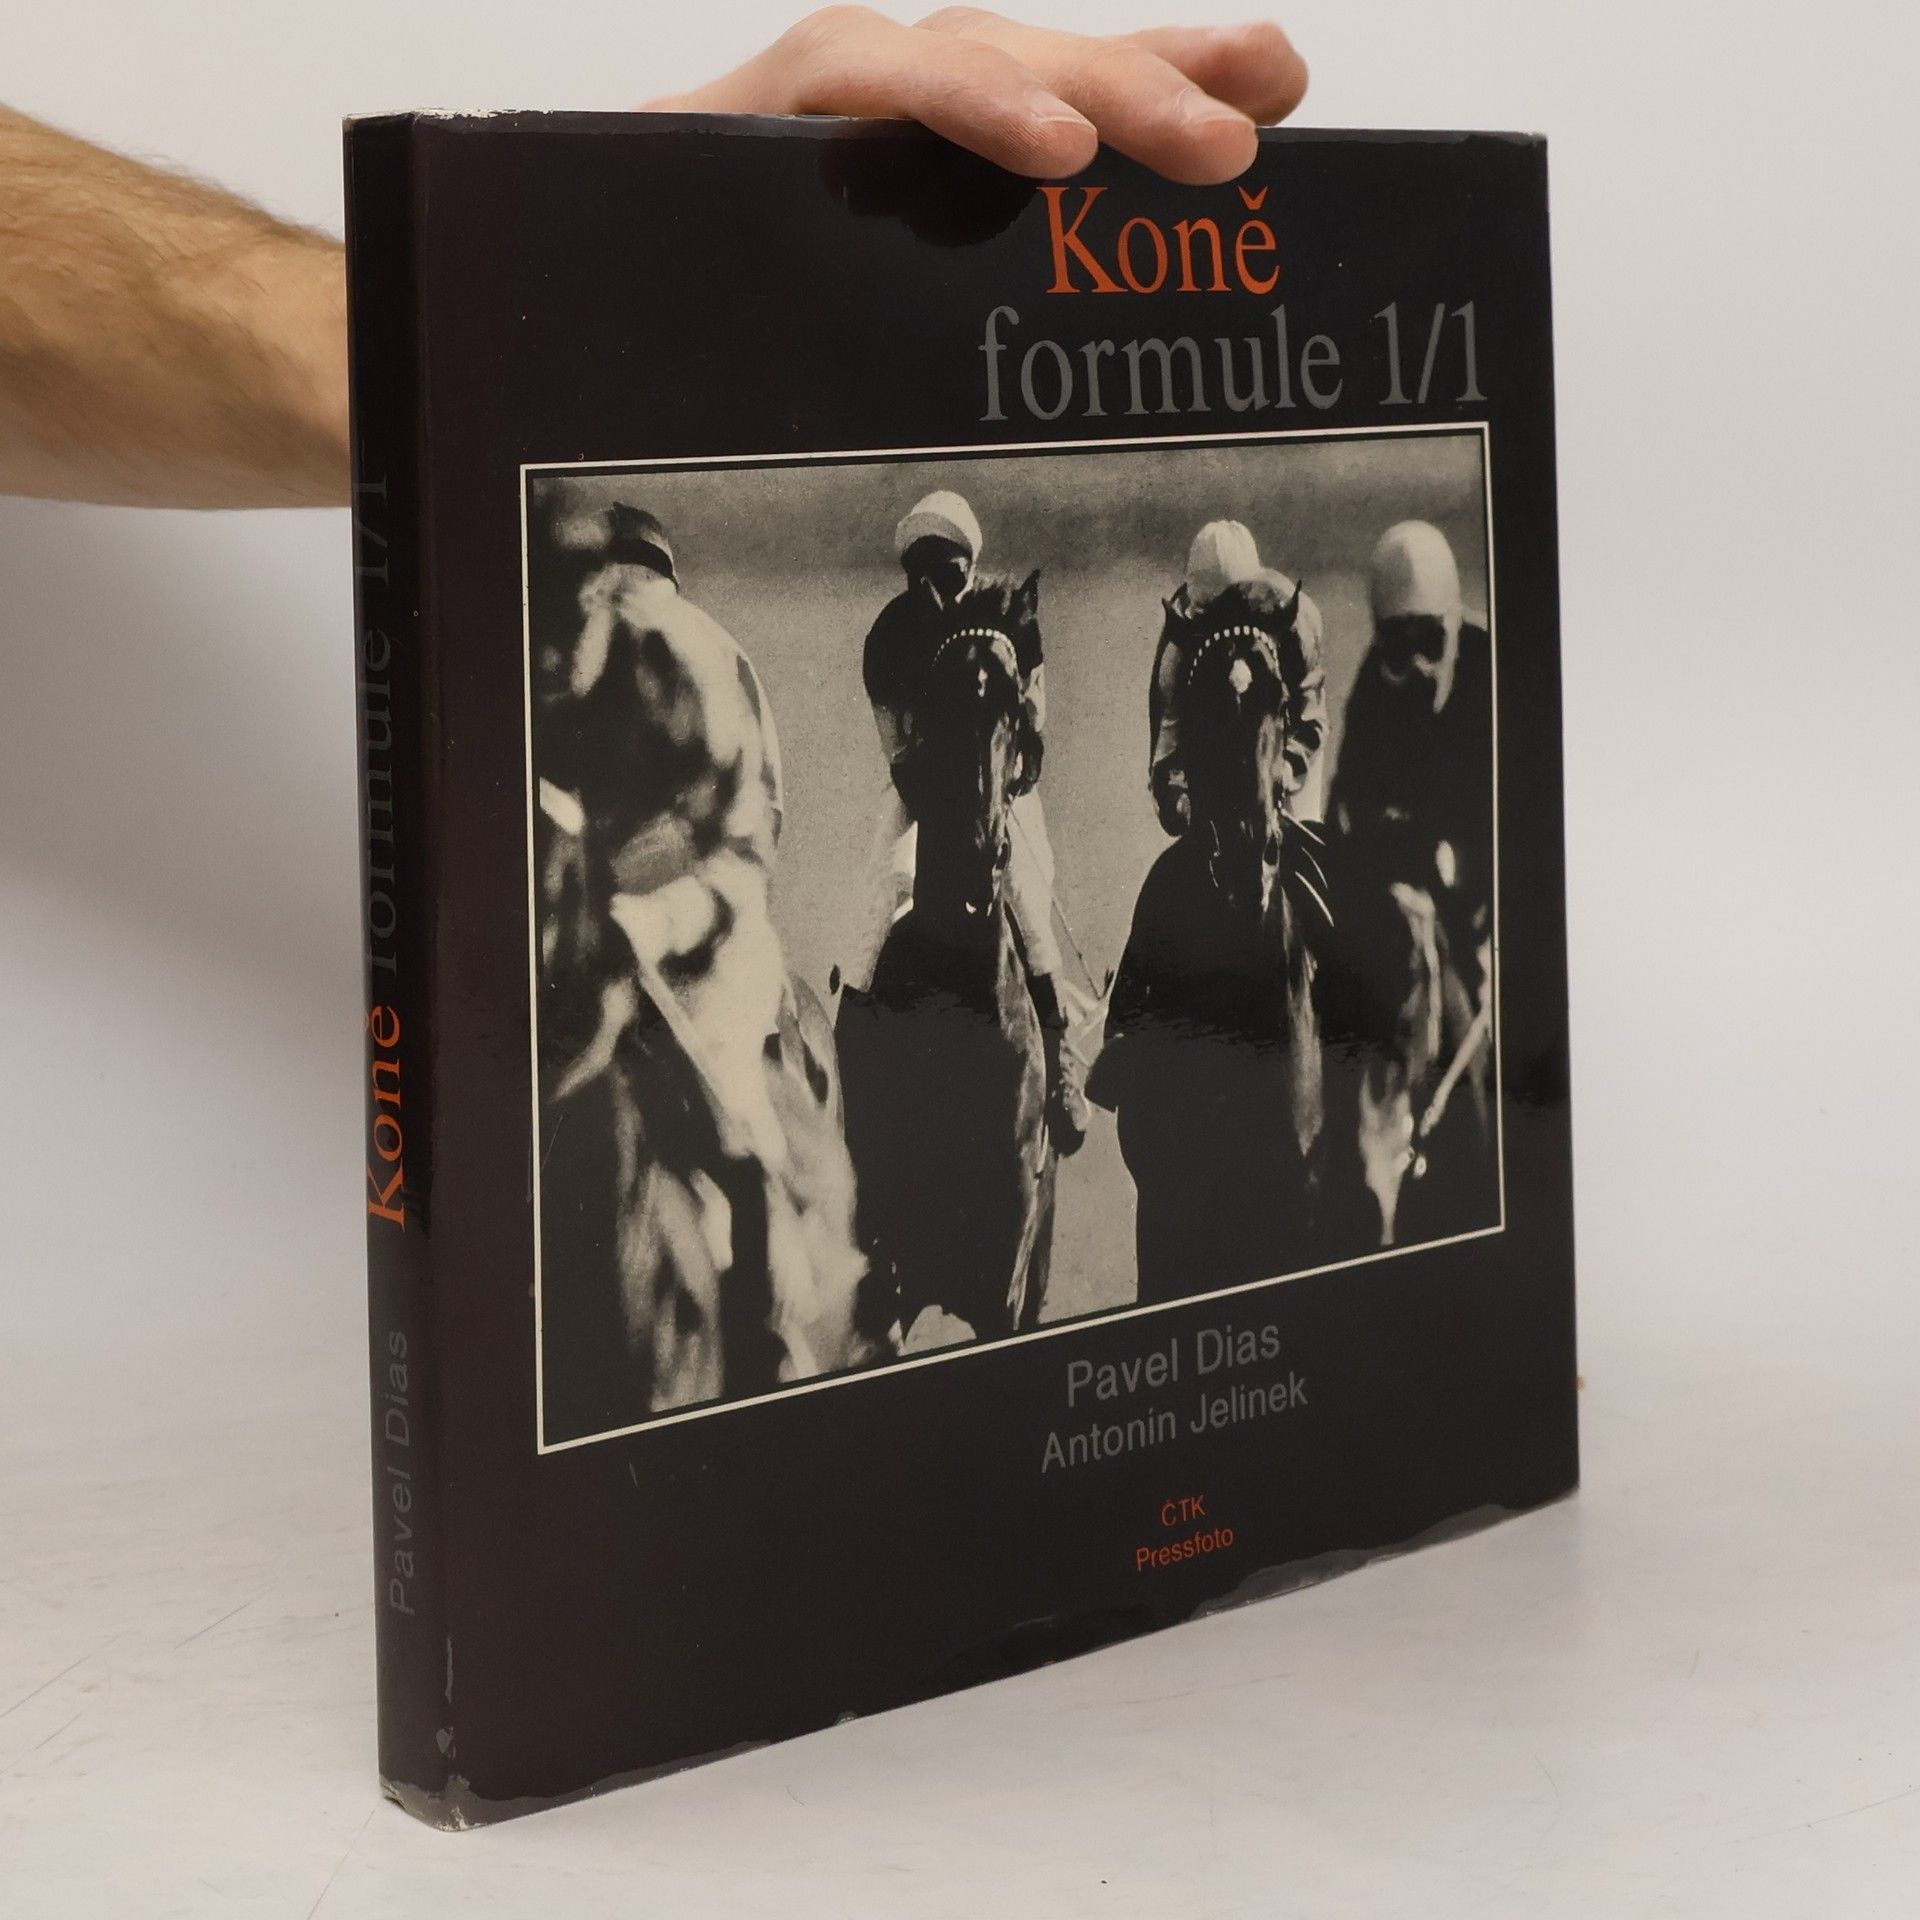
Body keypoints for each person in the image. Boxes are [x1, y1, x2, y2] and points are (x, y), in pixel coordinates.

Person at [852, 488, 1087, 1151]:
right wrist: (943, 795)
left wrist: (999, 786)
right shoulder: (891, 637)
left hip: (1002, 788)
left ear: (971, 566)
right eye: (919, 576)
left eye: (948, 573)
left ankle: (1061, 1059)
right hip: (926, 792)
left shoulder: (1010, 617)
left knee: (1028, 898)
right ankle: (851, 1048)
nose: (934, 590)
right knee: (882, 886)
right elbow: (898, 749)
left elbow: (1034, 724)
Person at [1321, 519, 1498, 1247]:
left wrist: (1467, 886)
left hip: (1482, 902)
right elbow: (1344, 813)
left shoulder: (1490, 674)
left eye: (1431, 640)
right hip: (1408, 898)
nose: (1418, 663)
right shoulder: (1374, 685)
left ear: (1454, 623)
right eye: (1398, 645)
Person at [1147, 519, 1328, 835]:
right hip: (1214, 755)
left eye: (1235, 611)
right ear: (1196, 609)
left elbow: (1310, 719)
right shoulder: (1178, 648)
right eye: (1213, 617)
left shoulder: (1295, 629)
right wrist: (1180, 801)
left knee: (1301, 825)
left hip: (1286, 743)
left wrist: (1283, 772)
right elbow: (1167, 748)